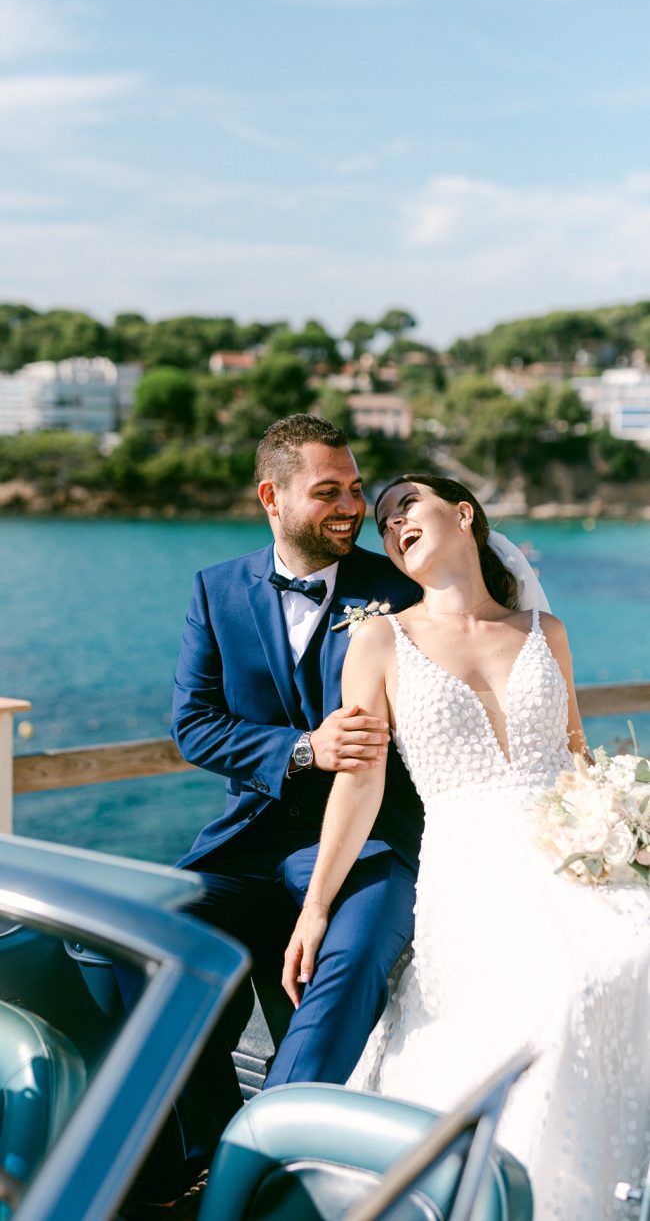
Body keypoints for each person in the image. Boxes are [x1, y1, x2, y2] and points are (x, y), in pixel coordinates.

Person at [283, 473, 650, 1221]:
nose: (392, 525)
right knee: (560, 985)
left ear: (463, 513)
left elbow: (578, 753)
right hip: (473, 869)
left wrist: (624, 825)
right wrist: (316, 905)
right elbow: (359, 785)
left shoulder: (546, 633)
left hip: (575, 852)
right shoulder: (379, 639)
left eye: (405, 505)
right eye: (384, 523)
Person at [170, 420, 546, 1141]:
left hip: (374, 843)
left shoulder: (397, 586)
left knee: (352, 952)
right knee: (136, 942)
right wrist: (303, 749)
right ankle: (203, 1145)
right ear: (271, 497)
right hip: (251, 841)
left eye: (355, 488)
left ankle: (270, 1155)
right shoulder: (215, 591)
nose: (351, 506)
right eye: (328, 492)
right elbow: (195, 724)